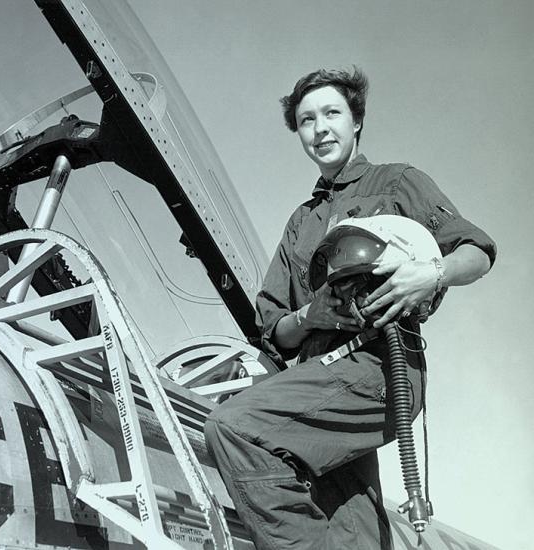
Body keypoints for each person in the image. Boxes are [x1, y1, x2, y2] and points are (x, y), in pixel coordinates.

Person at [204, 67, 496, 549]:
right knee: (353, 532)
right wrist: (310, 316)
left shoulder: (397, 181)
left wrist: (432, 273)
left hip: (382, 366)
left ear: (356, 121)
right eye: (306, 120)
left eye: (331, 113)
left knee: (235, 427)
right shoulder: (300, 224)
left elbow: (476, 251)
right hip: (319, 382)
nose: (320, 129)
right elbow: (272, 330)